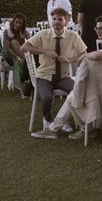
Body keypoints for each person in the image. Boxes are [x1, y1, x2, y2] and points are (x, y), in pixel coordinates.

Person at [54, 15, 102, 141]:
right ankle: (56, 127)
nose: (98, 31)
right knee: (74, 95)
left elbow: (99, 56)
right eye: (97, 28)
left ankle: (84, 129)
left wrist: (84, 56)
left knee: (74, 97)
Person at [21, 8, 87, 139]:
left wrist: (69, 59)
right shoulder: (43, 34)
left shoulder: (73, 35)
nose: (56, 22)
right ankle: (48, 120)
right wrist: (45, 51)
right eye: (54, 19)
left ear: (66, 21)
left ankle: (65, 121)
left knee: (78, 92)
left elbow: (83, 54)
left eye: (60, 19)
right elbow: (24, 48)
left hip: (63, 76)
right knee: (46, 97)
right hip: (44, 75)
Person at [1, 13, 31, 88]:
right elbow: (7, 49)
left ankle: (22, 84)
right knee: (13, 42)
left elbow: (31, 44)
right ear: (13, 22)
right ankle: (23, 83)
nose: (17, 24)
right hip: (7, 57)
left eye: (20, 23)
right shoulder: (7, 32)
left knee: (19, 61)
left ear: (23, 25)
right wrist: (18, 57)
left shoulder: (24, 32)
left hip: (19, 55)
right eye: (16, 22)